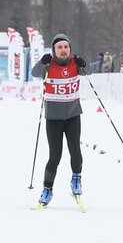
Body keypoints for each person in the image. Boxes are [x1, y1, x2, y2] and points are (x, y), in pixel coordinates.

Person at [31, 34, 87, 207]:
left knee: (75, 151)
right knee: (55, 156)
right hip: (54, 119)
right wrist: (42, 61)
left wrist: (82, 63)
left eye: (66, 47)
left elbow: (89, 71)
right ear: (54, 50)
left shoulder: (74, 64)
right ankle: (47, 190)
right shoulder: (48, 65)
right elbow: (35, 73)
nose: (63, 51)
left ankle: (76, 180)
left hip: (73, 116)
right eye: (59, 48)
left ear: (70, 49)